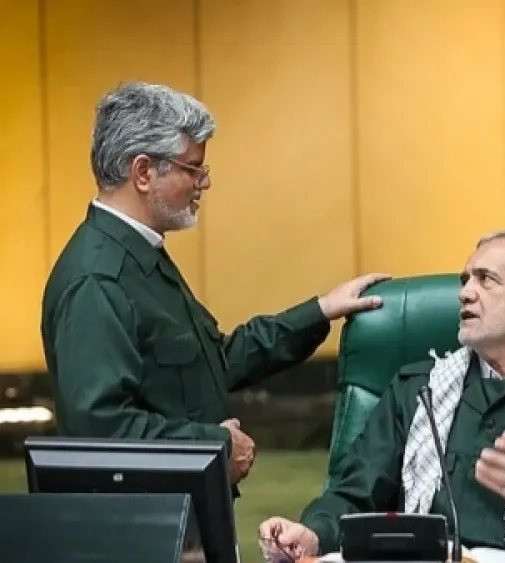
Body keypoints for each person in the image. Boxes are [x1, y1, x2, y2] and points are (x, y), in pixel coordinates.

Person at [39, 81, 390, 487]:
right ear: (143, 172)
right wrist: (215, 444)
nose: (204, 182)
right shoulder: (97, 278)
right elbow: (102, 429)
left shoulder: (136, 254)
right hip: (145, 531)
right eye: (193, 168)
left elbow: (211, 365)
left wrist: (319, 310)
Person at [259, 231, 505, 560]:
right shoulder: (418, 390)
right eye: (465, 279)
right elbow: (355, 496)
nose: (465, 292)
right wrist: (312, 534)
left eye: (486, 280)